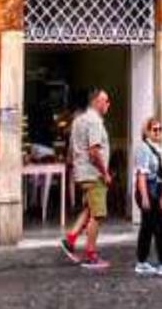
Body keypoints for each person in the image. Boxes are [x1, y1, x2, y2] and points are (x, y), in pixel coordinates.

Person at [60, 89, 112, 270]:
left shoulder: (78, 120)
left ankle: (70, 239)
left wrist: (73, 167)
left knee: (89, 209)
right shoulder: (94, 121)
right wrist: (105, 173)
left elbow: (71, 149)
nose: (108, 105)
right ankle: (91, 255)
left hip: (82, 172)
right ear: (96, 102)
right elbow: (94, 151)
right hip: (93, 174)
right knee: (97, 215)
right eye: (105, 101)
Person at [133, 118, 162, 277]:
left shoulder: (157, 149)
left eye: (160, 129)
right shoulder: (144, 149)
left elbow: (160, 177)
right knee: (161, 227)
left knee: (147, 228)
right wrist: (145, 197)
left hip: (155, 191)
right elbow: (141, 175)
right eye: (155, 129)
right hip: (147, 192)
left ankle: (142, 262)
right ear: (147, 131)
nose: (158, 132)